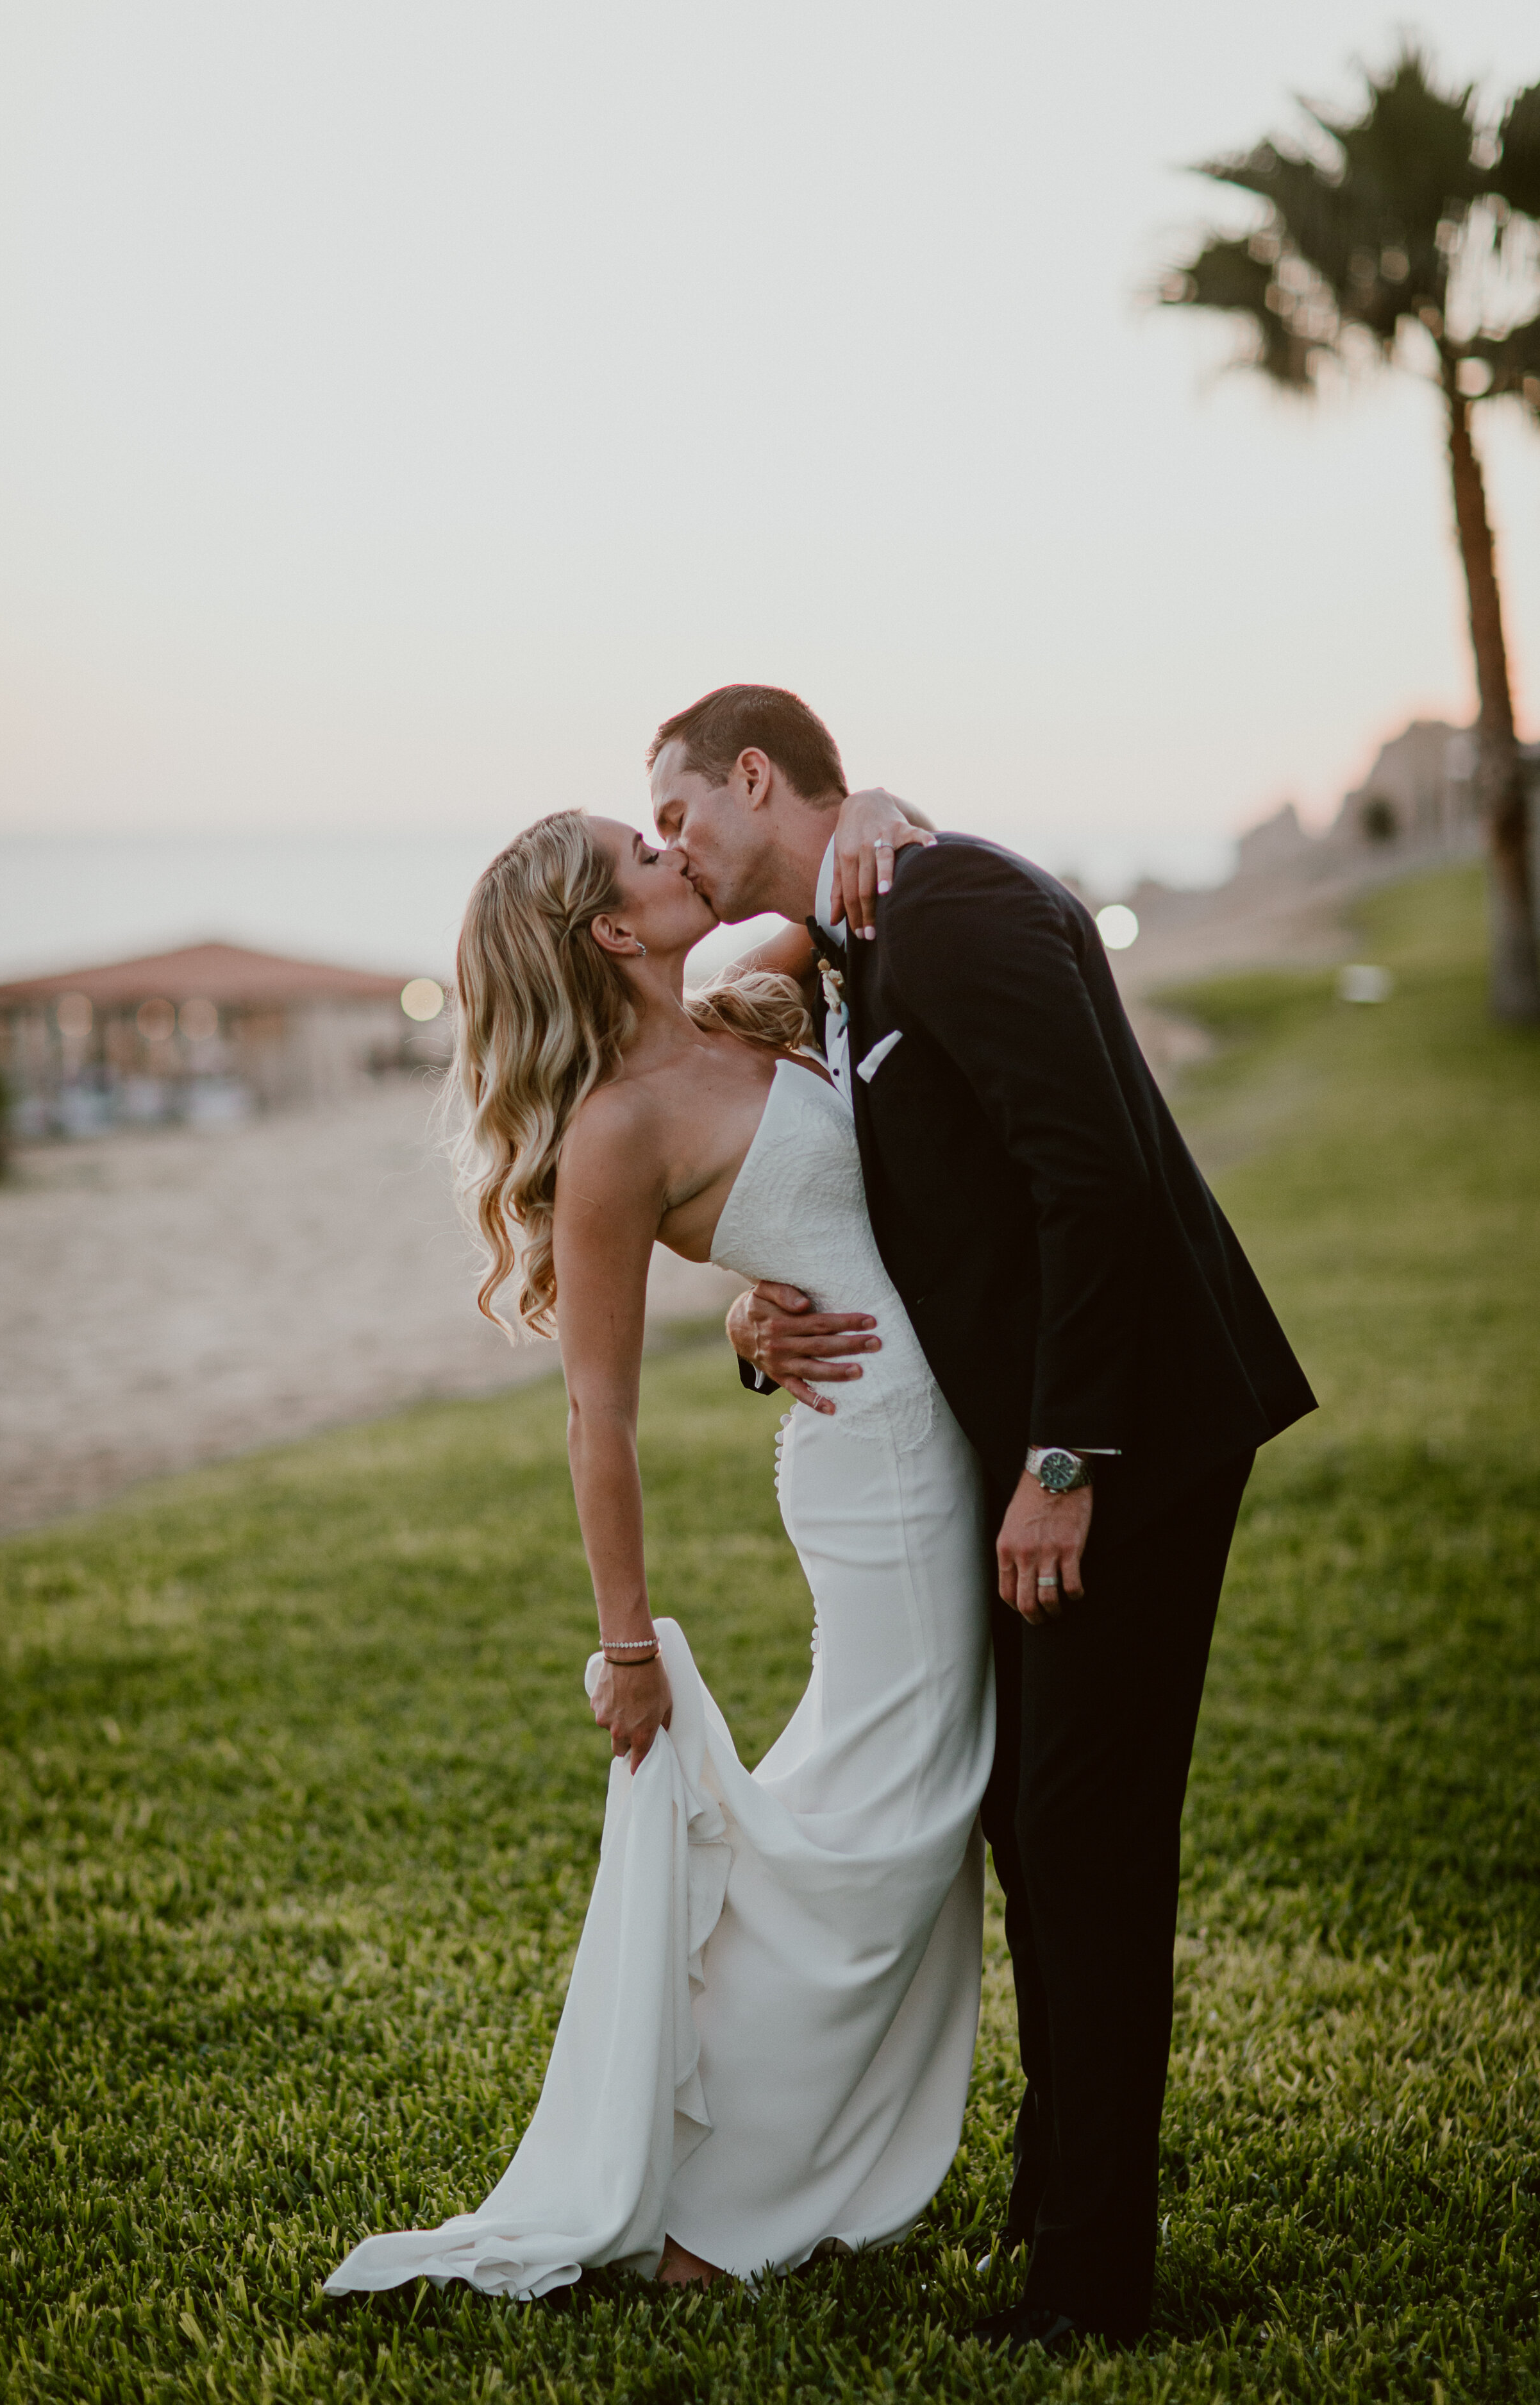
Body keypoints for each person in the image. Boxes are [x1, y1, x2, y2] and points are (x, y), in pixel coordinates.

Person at [648, 683, 1317, 2353]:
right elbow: (883, 1185)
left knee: (1084, 1840)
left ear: (751, 773)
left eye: (675, 812)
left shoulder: (941, 909)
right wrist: (752, 1320)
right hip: (1060, 1449)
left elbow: (1088, 1171)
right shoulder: (867, 923)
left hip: (1136, 1447)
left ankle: (1095, 2282)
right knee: (1037, 1817)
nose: (669, 846)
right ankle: (1060, 2198)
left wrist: (1064, 1460)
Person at [324, 797, 998, 2304]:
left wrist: (881, 804)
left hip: (938, 1430)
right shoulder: (612, 1136)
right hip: (876, 1467)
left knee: (870, 1816)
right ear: (609, 932)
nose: (674, 857)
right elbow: (597, 1421)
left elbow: (844, 893)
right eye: (643, 855)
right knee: (897, 1829)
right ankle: (709, 2211)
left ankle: (740, 2162)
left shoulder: (742, 999)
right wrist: (627, 1647)